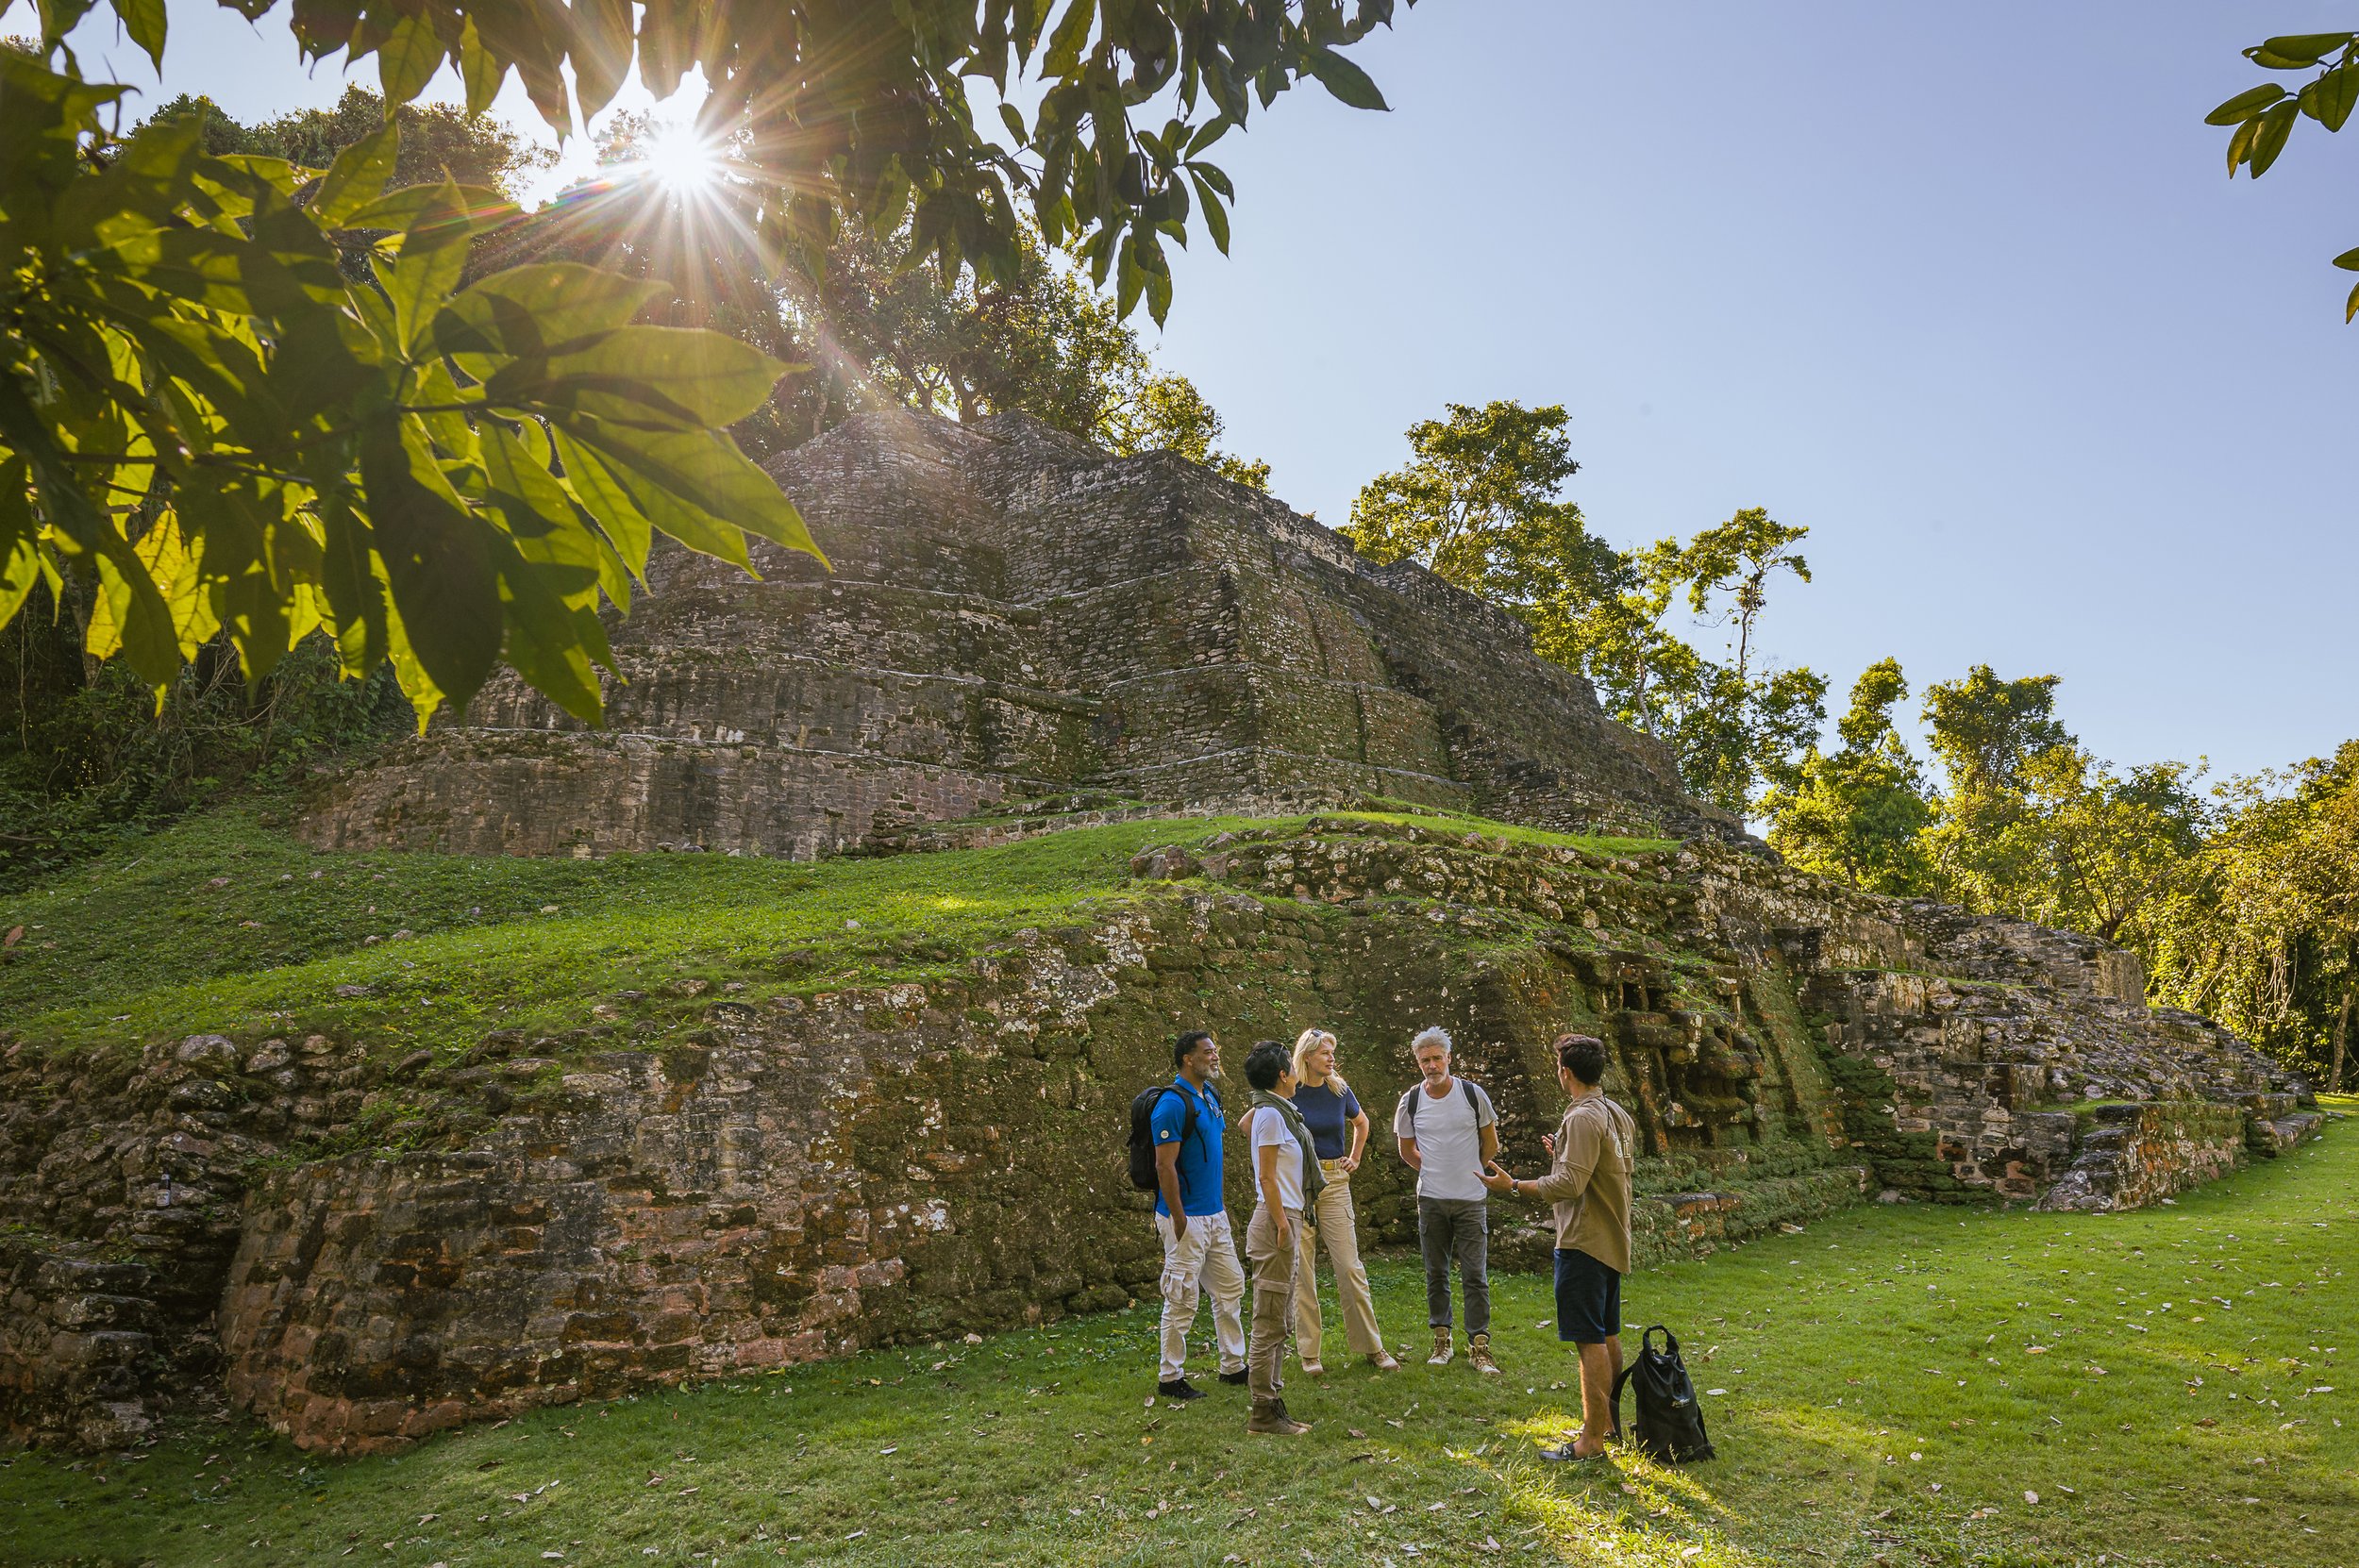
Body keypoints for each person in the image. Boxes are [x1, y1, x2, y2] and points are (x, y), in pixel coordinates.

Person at [1482, 1033, 1638, 1460]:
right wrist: (1564, 1152)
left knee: (1589, 1340)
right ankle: (1608, 1425)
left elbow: (1570, 1184)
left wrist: (1512, 1185)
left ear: (1565, 1072)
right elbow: (1601, 1167)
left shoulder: (1583, 1118)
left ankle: (1590, 1442)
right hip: (1610, 1236)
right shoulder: (1617, 1113)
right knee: (1607, 1333)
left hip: (1584, 1241)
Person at [1392, 1026, 1502, 1374]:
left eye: (1437, 1058)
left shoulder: (1472, 1095)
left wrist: (1471, 1169)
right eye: (1425, 1060)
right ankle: (1442, 1341)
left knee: (1475, 1274)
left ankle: (1480, 1346)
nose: (1432, 1065)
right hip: (1432, 1200)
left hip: (1471, 1199)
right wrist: (1434, 1168)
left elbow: (1491, 1143)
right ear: (1418, 1063)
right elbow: (1406, 1148)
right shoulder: (1410, 1100)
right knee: (1435, 1273)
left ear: (1449, 1058)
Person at [1287, 1028, 1398, 1374]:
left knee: (1350, 1266)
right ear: (1307, 1056)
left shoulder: (1339, 1088)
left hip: (1335, 1181)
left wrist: (1356, 1157)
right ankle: (1309, 1354)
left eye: (1333, 1052)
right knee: (1302, 1271)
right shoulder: (1289, 1091)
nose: (1332, 1058)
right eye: (1325, 1053)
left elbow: (1361, 1123)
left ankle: (1373, 1347)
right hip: (1298, 1184)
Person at [1149, 1029, 1247, 1401]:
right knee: (1182, 1296)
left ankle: (1233, 1365)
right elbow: (1164, 1166)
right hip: (1186, 1217)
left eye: (1215, 1050)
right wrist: (1178, 1218)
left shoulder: (1210, 1096)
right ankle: (1170, 1378)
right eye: (1207, 1052)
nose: (1215, 1056)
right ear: (1188, 1059)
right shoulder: (1172, 1105)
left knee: (1229, 1289)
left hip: (1214, 1214)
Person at [1241, 1040, 1321, 1434]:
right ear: (1282, 1076)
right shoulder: (1272, 1115)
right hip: (1276, 1221)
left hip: (1283, 1217)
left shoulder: (1271, 1112)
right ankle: (1262, 1411)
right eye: (1291, 1066)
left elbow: (1245, 1124)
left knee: (1280, 1318)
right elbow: (1267, 1177)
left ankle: (1273, 1401)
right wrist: (1284, 1225)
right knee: (1269, 1321)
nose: (1295, 1073)